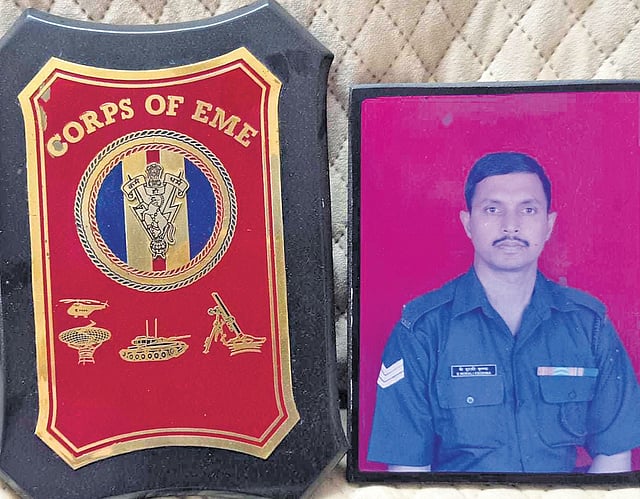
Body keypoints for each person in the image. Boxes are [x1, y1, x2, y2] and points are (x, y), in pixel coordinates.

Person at [367, 152, 640, 473]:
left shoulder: (589, 325)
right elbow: (408, 477)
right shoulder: (422, 330)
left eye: (528, 209)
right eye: (492, 209)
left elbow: (613, 458)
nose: (511, 226)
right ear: (468, 223)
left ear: (549, 224)